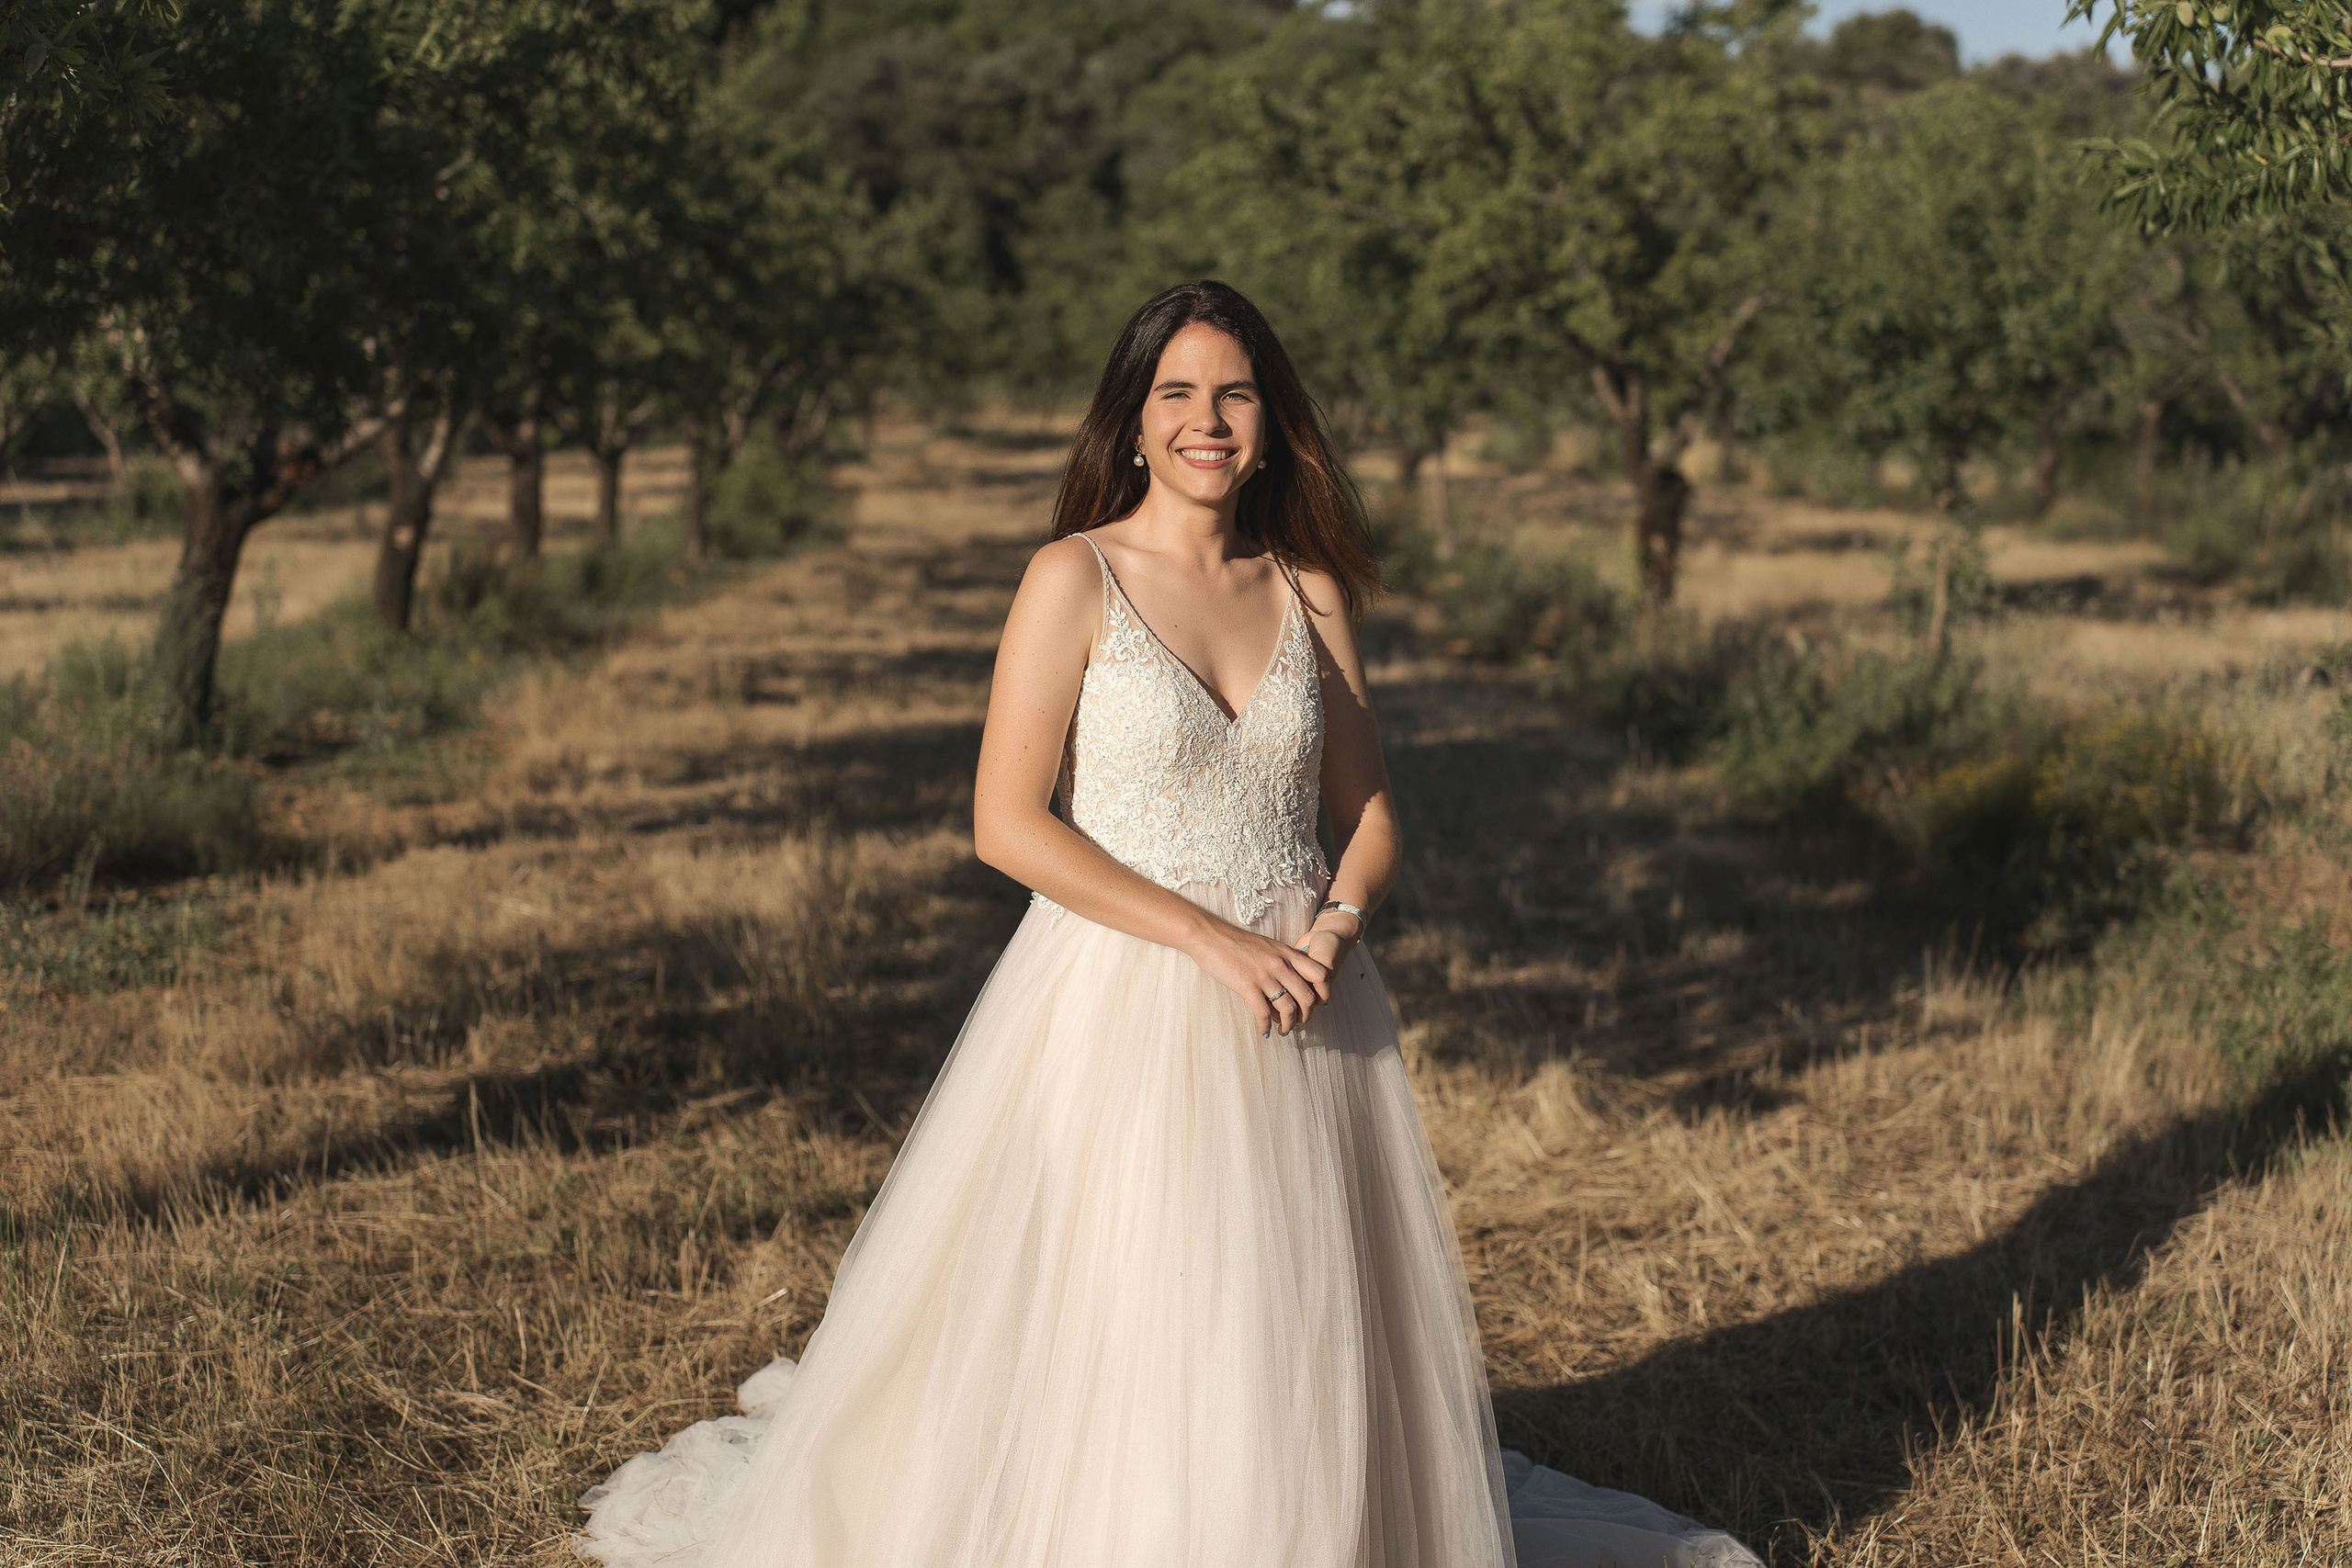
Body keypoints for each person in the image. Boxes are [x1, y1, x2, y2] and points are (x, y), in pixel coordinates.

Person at [576, 282, 1761, 1568]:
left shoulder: (1308, 587)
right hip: (1122, 992)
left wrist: (1332, 927)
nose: (1209, 420)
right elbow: (1006, 823)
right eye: (1178, 394)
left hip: (1303, 998)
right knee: (1137, 1303)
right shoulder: (1072, 577)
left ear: (1272, 419)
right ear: (1133, 423)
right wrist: (1210, 940)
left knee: (1283, 1314)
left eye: (1236, 392)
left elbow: (1368, 813)